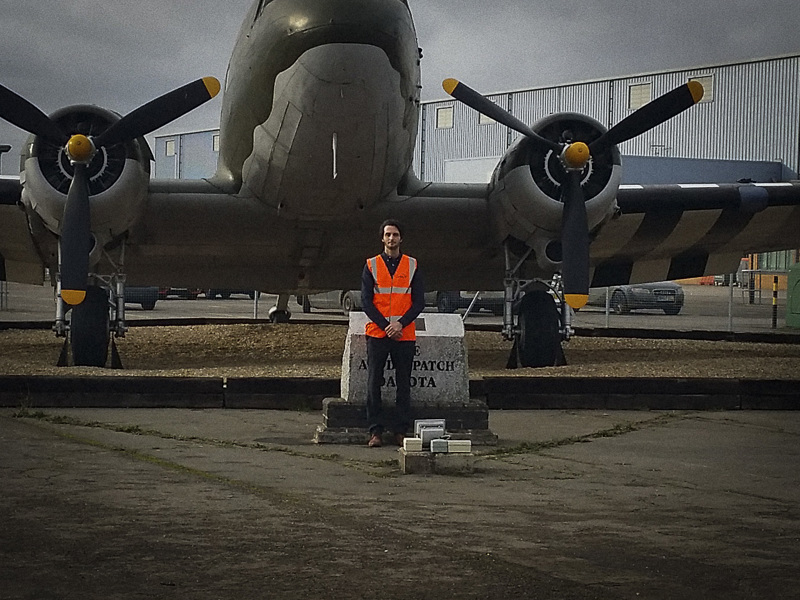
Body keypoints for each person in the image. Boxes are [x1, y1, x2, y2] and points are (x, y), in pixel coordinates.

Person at [361, 219, 425, 448]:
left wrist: (400, 324)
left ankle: (400, 430)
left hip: (404, 334)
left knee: (404, 384)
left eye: (395, 235)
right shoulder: (371, 265)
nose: (391, 239)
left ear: (401, 238)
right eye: (388, 235)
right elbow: (366, 302)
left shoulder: (412, 265)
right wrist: (386, 326)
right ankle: (375, 431)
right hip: (378, 334)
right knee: (373, 383)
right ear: (382, 238)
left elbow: (419, 302)